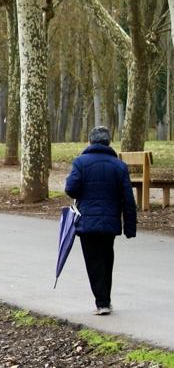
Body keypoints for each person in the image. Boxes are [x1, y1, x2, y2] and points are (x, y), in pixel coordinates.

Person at [65, 126, 137, 315]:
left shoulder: (80, 162)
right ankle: (105, 299)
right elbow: (128, 198)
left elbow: (71, 189)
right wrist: (130, 227)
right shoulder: (119, 165)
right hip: (110, 222)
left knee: (93, 261)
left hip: (87, 222)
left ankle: (101, 302)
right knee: (106, 259)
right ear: (108, 142)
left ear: (90, 141)